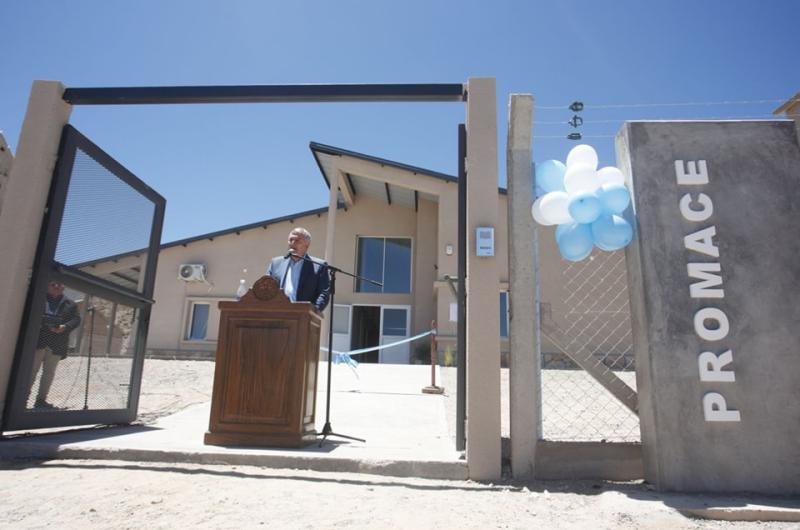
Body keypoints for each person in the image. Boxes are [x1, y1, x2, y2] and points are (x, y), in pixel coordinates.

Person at [30, 280, 81, 409]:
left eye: (60, 284)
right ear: (47, 286)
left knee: (49, 373)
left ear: (64, 287)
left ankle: (41, 401)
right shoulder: (38, 298)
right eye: (53, 284)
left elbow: (76, 319)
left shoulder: (71, 304)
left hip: (57, 343)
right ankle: (22, 400)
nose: (57, 287)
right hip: (38, 341)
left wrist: (65, 327)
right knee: (31, 372)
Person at [267, 227, 330, 313]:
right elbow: (266, 288)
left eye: (297, 241)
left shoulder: (318, 266)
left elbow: (324, 294)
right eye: (290, 240)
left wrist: (313, 312)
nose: (292, 243)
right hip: (277, 314)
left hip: (302, 317)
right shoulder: (276, 263)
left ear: (307, 245)